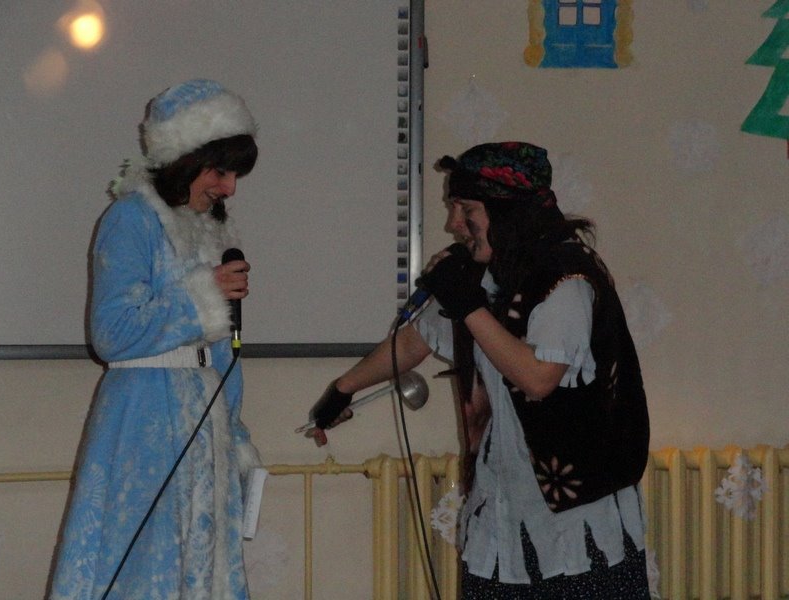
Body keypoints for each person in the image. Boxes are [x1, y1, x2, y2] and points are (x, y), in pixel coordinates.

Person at [308, 142, 651, 598]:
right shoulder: (485, 274)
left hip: (575, 520)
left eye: (466, 209)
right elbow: (415, 341)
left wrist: (468, 305)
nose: (453, 224)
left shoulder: (567, 278)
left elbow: (539, 378)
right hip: (503, 510)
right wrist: (342, 389)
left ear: (509, 212)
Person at [49, 79, 261, 600]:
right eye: (220, 172)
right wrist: (203, 296)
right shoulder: (130, 219)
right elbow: (112, 334)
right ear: (184, 159)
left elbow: (220, 352)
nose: (230, 188)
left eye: (234, 175)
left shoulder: (210, 231)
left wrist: (233, 431)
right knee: (143, 568)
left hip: (204, 427)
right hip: (142, 423)